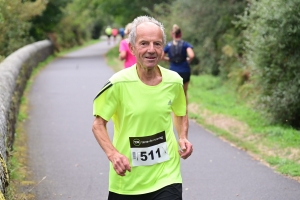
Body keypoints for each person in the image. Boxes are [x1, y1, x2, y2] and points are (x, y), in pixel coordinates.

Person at [92, 16, 193, 200]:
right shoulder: (118, 83)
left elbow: (180, 112)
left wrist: (183, 137)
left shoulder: (174, 81)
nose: (151, 50)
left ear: (163, 49)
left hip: (167, 176)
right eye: (144, 43)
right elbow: (98, 125)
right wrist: (113, 154)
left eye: (157, 44)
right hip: (128, 182)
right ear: (132, 48)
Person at [163, 24, 194, 102]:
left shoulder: (169, 45)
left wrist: (169, 59)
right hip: (185, 71)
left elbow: (161, 56)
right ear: (181, 33)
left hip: (173, 71)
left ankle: (176, 114)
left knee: (175, 94)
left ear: (172, 34)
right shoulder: (185, 44)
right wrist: (188, 60)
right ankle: (185, 113)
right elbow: (191, 55)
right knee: (184, 93)